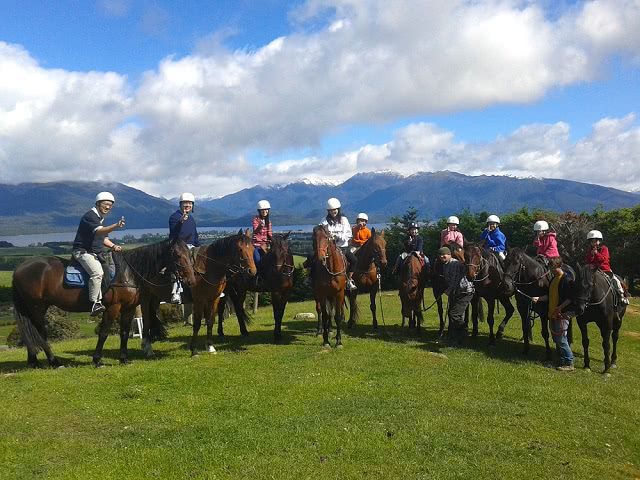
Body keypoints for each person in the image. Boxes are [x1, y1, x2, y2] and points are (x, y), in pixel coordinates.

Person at [72, 192, 125, 316]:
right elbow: (100, 231)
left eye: (110, 206)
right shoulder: (90, 216)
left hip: (94, 253)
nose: (108, 207)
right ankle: (95, 303)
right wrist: (116, 225)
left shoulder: (99, 218)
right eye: (105, 204)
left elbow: (102, 237)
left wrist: (113, 246)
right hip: (82, 252)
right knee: (97, 273)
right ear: (97, 204)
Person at [531, 257, 575, 371]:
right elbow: (549, 296)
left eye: (552, 267)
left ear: (558, 266)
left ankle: (569, 362)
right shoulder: (553, 279)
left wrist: (560, 308)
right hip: (552, 314)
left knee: (561, 339)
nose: (550, 270)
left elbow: (570, 298)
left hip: (561, 314)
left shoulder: (566, 279)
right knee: (556, 339)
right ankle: (561, 361)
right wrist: (538, 298)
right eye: (550, 267)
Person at [439, 246, 475, 346]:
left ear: (449, 254)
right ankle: (454, 338)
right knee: (454, 314)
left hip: (465, 292)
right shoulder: (445, 265)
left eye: (444, 254)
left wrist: (449, 290)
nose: (442, 256)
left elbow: (455, 279)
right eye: (440, 255)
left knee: (454, 314)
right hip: (456, 292)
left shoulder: (454, 263)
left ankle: (463, 334)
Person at [168, 192, 200, 303]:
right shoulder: (174, 217)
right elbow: (174, 232)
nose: (188, 205)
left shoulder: (191, 219)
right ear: (180, 204)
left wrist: (199, 247)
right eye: (185, 203)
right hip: (178, 246)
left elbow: (195, 235)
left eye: (190, 203)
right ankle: (176, 293)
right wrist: (181, 221)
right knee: (179, 265)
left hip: (191, 247)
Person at [321, 198, 357, 290]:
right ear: (328, 211)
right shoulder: (324, 221)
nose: (334, 211)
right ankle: (311, 278)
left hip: (343, 248)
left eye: (335, 209)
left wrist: (339, 237)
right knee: (313, 258)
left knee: (354, 260)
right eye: (331, 210)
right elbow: (320, 234)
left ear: (338, 209)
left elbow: (349, 234)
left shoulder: (344, 220)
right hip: (329, 249)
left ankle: (349, 279)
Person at [585, 230, 628, 304]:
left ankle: (622, 296)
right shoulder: (590, 250)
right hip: (593, 270)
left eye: (595, 241)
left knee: (616, 281)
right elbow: (588, 261)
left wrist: (596, 253)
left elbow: (604, 259)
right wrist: (591, 255)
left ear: (599, 241)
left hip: (605, 269)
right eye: (592, 241)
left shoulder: (604, 248)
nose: (593, 243)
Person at [252, 199, 273, 271]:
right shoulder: (256, 219)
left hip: (265, 246)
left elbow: (269, 233)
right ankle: (258, 275)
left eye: (266, 210)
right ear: (259, 211)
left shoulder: (269, 221)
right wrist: (260, 226)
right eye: (262, 210)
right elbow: (255, 231)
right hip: (256, 245)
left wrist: (273, 240)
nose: (265, 211)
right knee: (257, 260)